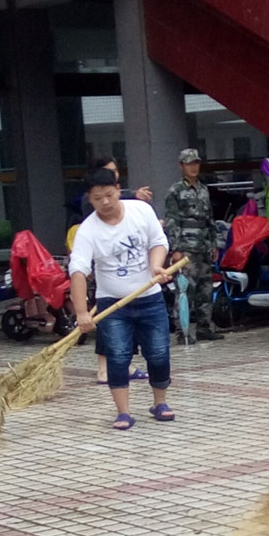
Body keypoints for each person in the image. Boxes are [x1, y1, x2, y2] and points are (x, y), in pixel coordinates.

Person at [70, 167, 174, 431]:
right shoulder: (88, 230)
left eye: (108, 195)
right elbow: (79, 272)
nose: (104, 202)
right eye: (97, 198)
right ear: (89, 199)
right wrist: (82, 312)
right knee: (117, 356)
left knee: (159, 353)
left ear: (118, 190)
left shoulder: (141, 211)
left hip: (149, 298)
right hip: (112, 305)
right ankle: (124, 412)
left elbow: (158, 242)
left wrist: (156, 267)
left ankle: (159, 402)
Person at [81, 156, 153, 383]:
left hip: (130, 274)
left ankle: (126, 365)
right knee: (108, 318)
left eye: (115, 171)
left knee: (126, 322)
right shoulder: (91, 204)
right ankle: (104, 367)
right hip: (105, 270)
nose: (113, 174)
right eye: (108, 171)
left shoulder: (129, 206)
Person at [164, 148, 224, 345]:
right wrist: (176, 249)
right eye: (189, 164)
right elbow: (172, 221)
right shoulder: (176, 191)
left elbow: (209, 219)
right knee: (185, 290)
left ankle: (205, 327)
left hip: (204, 246)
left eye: (196, 163)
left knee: (206, 290)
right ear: (181, 166)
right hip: (186, 249)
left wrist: (214, 244)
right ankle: (184, 331)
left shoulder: (204, 189)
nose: (193, 167)